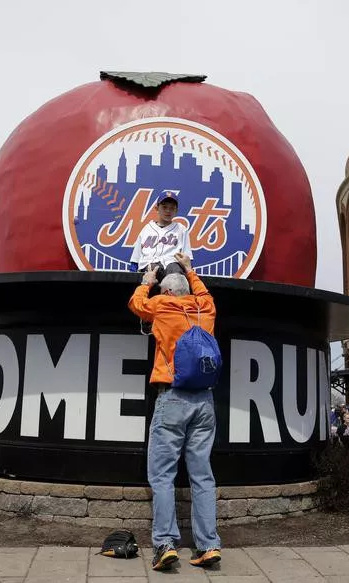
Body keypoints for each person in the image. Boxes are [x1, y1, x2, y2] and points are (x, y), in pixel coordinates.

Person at [127, 252, 221, 571]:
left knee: (163, 475)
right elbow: (205, 293)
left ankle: (165, 544)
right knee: (202, 476)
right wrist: (192, 271)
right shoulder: (204, 308)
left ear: (167, 292)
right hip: (205, 400)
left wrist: (146, 282)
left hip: (173, 397)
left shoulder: (162, 305)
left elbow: (136, 304)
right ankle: (208, 546)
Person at [130, 191, 193, 282]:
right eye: (164, 207)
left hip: (173, 265)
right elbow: (136, 257)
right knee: (154, 269)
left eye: (172, 208)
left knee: (174, 270)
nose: (168, 211)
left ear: (176, 210)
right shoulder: (146, 229)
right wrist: (132, 274)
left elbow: (188, 258)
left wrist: (191, 275)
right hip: (150, 265)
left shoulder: (182, 230)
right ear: (157, 208)